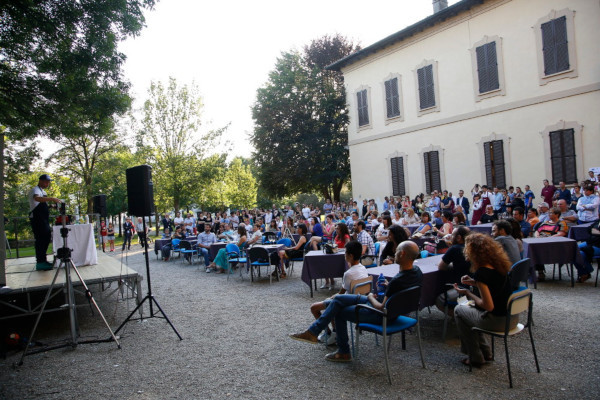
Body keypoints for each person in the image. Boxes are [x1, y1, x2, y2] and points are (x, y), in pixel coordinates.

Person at [289, 241, 422, 362]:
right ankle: (313, 332)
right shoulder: (417, 272)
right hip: (394, 312)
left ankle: (343, 351)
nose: (394, 253)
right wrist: (388, 285)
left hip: (379, 313)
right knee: (338, 299)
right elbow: (400, 291)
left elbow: (381, 307)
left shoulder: (397, 280)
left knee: (338, 310)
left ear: (403, 254)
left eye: (397, 250)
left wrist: (370, 296)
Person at [453, 233, 515, 367]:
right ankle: (485, 352)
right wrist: (474, 283)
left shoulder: (482, 273)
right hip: (512, 317)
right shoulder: (499, 265)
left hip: (498, 321)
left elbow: (488, 306)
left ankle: (475, 356)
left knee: (459, 308)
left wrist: (467, 292)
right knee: (468, 311)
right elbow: (494, 284)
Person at [309, 241, 369, 344]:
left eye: (345, 252)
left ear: (350, 255)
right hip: (360, 301)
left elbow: (340, 294)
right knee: (330, 301)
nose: (344, 254)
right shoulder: (363, 268)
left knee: (314, 307)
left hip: (348, 303)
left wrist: (332, 297)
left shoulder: (348, 274)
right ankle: (332, 332)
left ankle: (330, 332)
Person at [435, 226, 471, 316]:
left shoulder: (454, 249)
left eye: (452, 235)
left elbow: (441, 267)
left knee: (439, 300)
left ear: (458, 238)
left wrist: (451, 249)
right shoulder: (472, 246)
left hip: (464, 289)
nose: (450, 236)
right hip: (477, 288)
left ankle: (461, 316)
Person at [28, 174, 62, 270]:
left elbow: (42, 205)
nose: (48, 183)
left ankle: (43, 259)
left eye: (48, 182)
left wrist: (52, 206)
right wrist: (52, 198)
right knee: (41, 240)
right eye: (46, 182)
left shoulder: (43, 191)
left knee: (46, 238)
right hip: (37, 219)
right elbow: (37, 199)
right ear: (41, 181)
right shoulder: (36, 190)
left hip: (43, 219)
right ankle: (40, 262)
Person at [533, 207, 568, 281]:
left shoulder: (562, 223)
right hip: (540, 242)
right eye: (549, 213)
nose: (549, 214)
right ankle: (538, 272)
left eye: (551, 213)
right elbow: (537, 231)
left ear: (557, 214)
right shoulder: (545, 222)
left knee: (537, 251)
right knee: (533, 250)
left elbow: (561, 234)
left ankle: (540, 273)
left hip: (553, 246)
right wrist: (537, 236)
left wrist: (548, 238)